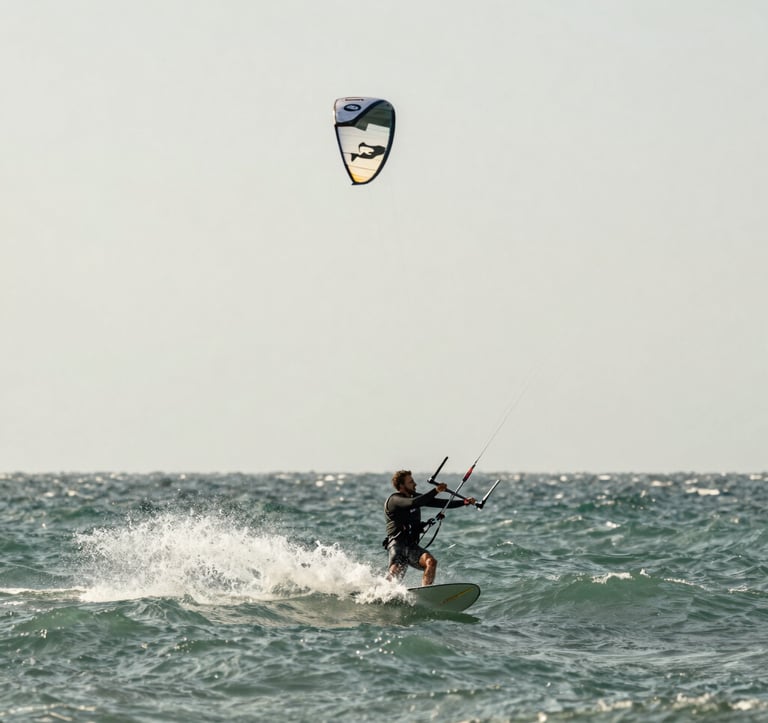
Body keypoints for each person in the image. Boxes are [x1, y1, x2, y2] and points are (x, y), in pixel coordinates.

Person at [384, 469, 476, 586]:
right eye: (411, 482)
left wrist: (463, 502)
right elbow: (414, 503)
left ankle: (426, 591)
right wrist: (436, 490)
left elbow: (438, 503)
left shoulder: (415, 497)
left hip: (412, 546)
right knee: (395, 573)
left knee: (431, 562)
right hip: (397, 545)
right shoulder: (394, 500)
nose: (415, 484)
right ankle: (378, 592)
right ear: (401, 486)